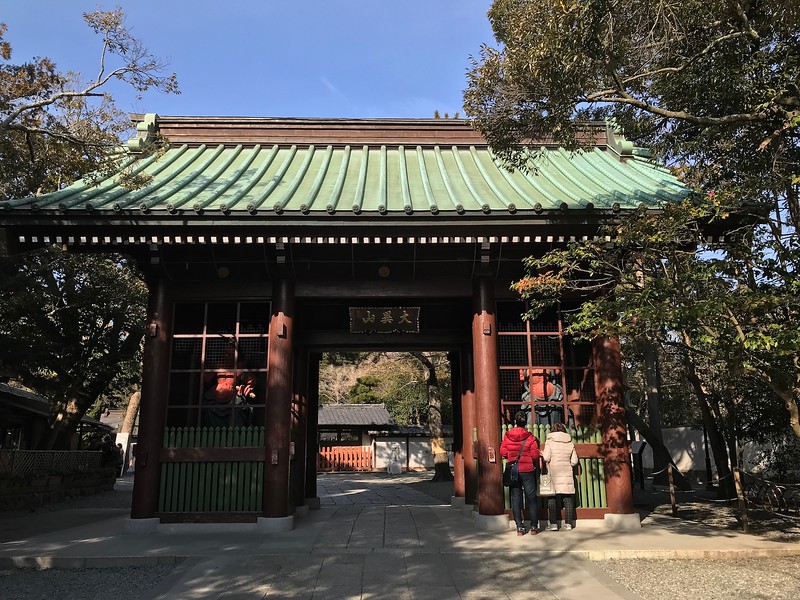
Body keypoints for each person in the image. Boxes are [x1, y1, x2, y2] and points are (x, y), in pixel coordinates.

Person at [500, 411, 541, 535]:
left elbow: (503, 452)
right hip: (527, 469)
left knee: (516, 498)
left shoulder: (507, 436)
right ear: (525, 422)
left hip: (514, 470)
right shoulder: (530, 437)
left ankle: (520, 527)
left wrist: (511, 455)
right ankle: (533, 526)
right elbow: (535, 455)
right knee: (532, 498)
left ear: (515, 422)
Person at [542, 422, 579, 530]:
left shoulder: (549, 442)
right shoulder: (570, 443)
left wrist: (542, 453)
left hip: (554, 473)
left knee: (552, 498)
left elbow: (547, 458)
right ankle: (568, 524)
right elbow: (574, 461)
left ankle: (553, 524)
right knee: (567, 498)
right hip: (566, 473)